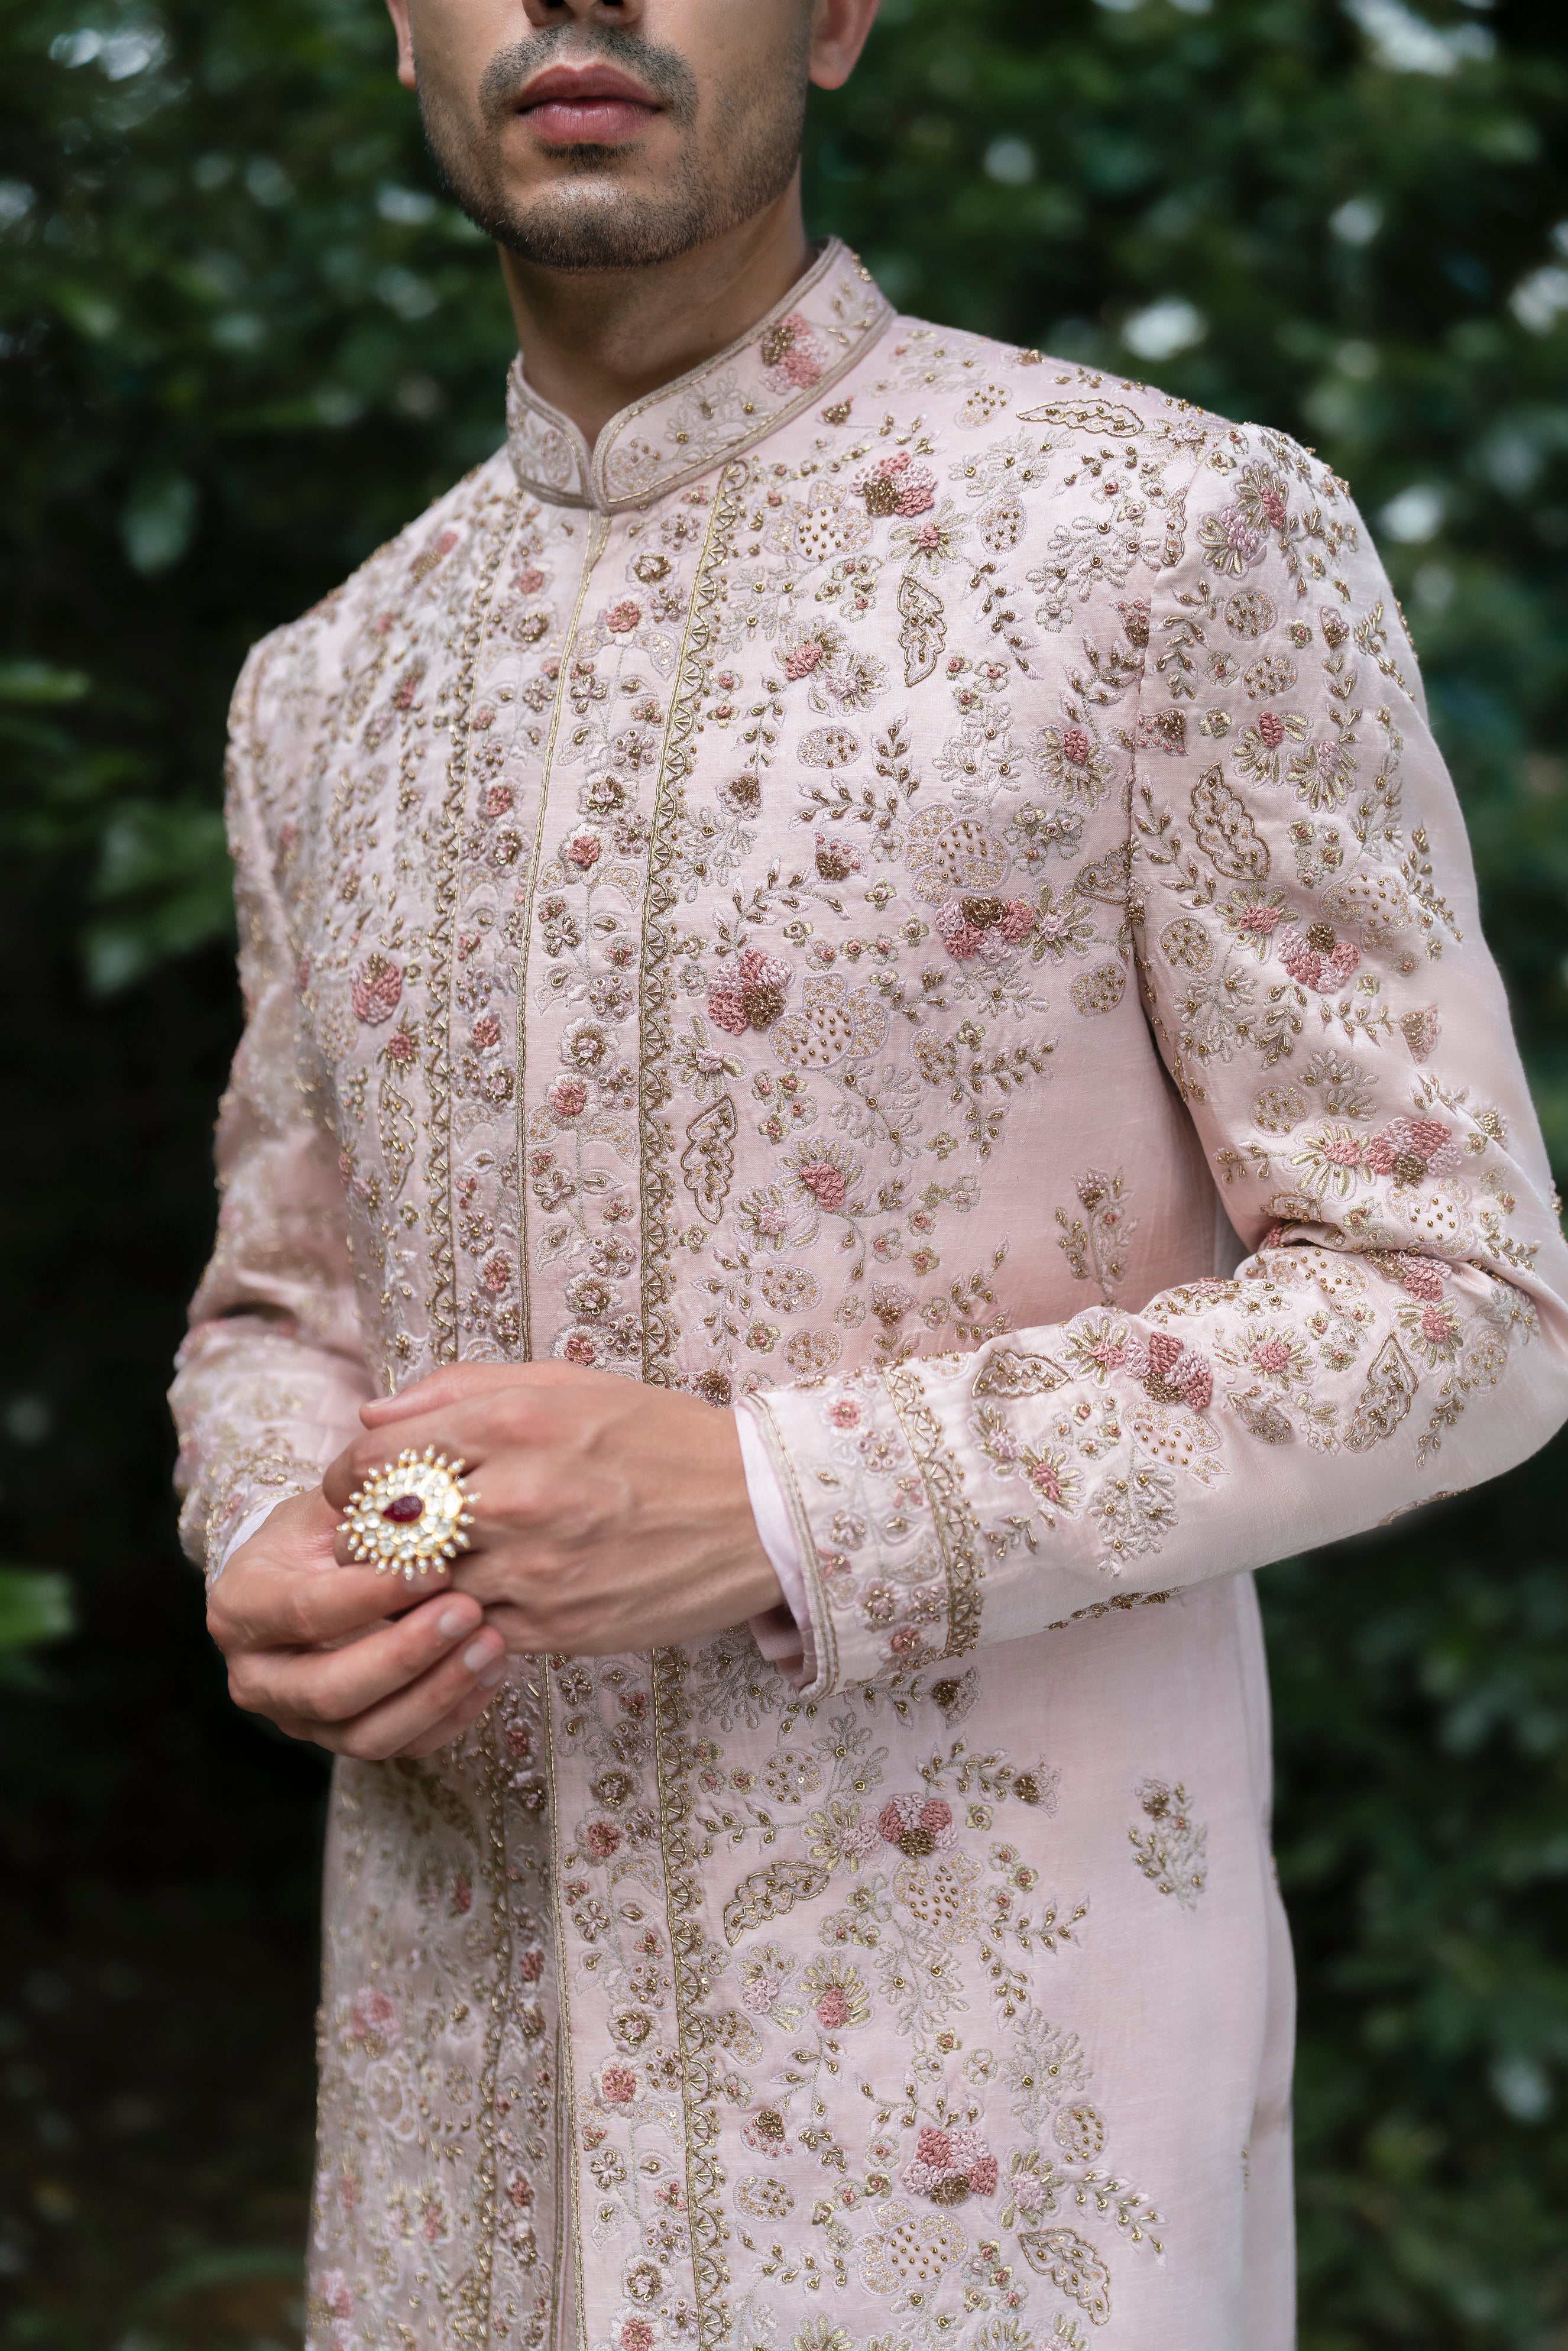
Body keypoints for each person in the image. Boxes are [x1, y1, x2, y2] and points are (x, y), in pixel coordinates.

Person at [169, 2, 1568, 2344]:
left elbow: (1460, 1295)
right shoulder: (334, 687)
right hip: (456, 2145)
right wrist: (273, 1528)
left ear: (835, 15)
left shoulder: (1162, 535)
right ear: (403, 28)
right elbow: (281, 1304)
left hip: (994, 2164)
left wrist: (791, 1498)